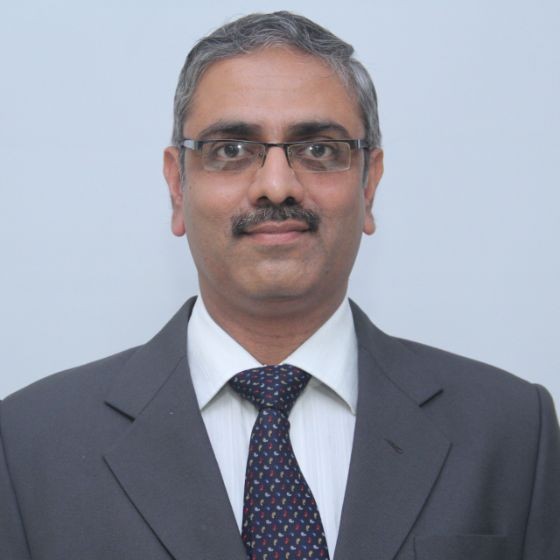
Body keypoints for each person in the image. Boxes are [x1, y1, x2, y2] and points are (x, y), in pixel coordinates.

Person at [1, 10, 558, 560]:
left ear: (369, 185)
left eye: (318, 149)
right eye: (230, 150)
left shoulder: (511, 431)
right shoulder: (29, 445)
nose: (276, 185)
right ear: (177, 186)